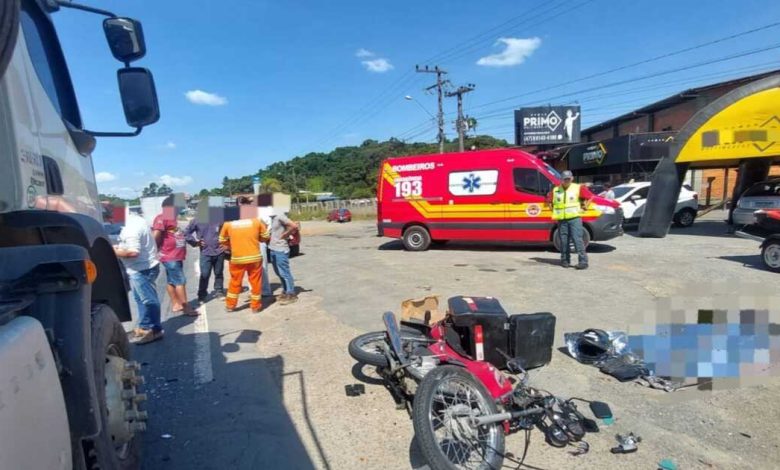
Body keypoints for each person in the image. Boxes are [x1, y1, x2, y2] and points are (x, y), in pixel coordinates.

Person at [113, 210, 163, 344]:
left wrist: (113, 251)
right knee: (140, 299)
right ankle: (144, 326)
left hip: (141, 268)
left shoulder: (131, 229)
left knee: (148, 300)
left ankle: (155, 329)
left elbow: (133, 252)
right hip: (141, 267)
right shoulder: (136, 220)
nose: (111, 223)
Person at [219, 197, 271, 313]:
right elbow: (266, 236)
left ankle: (230, 305)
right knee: (255, 282)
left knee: (235, 282)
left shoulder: (229, 223)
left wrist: (230, 245)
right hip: (254, 257)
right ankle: (255, 306)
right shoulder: (256, 222)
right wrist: (259, 239)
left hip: (237, 258)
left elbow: (222, 239)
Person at [152, 195, 195, 315]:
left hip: (176, 255)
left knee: (172, 281)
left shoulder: (173, 218)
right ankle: (186, 308)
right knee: (180, 281)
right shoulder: (162, 218)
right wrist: (156, 251)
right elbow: (156, 235)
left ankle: (176, 304)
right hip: (169, 256)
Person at [547, 170, 594, 270]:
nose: (567, 181)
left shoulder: (578, 188)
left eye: (569, 179)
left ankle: (583, 262)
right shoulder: (556, 190)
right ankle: (565, 260)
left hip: (575, 218)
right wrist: (553, 209)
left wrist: (585, 207)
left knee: (577, 240)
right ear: (561, 180)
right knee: (564, 241)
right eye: (565, 179)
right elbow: (549, 201)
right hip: (562, 220)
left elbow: (590, 197)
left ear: (572, 178)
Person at [184, 215, 226, 302]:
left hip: (220, 251)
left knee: (219, 273)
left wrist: (227, 244)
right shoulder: (197, 220)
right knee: (205, 274)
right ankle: (202, 294)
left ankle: (219, 291)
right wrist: (195, 242)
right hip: (205, 252)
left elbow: (228, 230)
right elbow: (186, 233)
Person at [268, 210, 301, 304]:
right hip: (273, 249)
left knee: (284, 272)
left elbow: (294, 226)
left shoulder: (280, 216)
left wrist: (286, 234)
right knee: (279, 272)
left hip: (281, 249)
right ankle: (285, 291)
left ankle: (291, 294)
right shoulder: (273, 217)